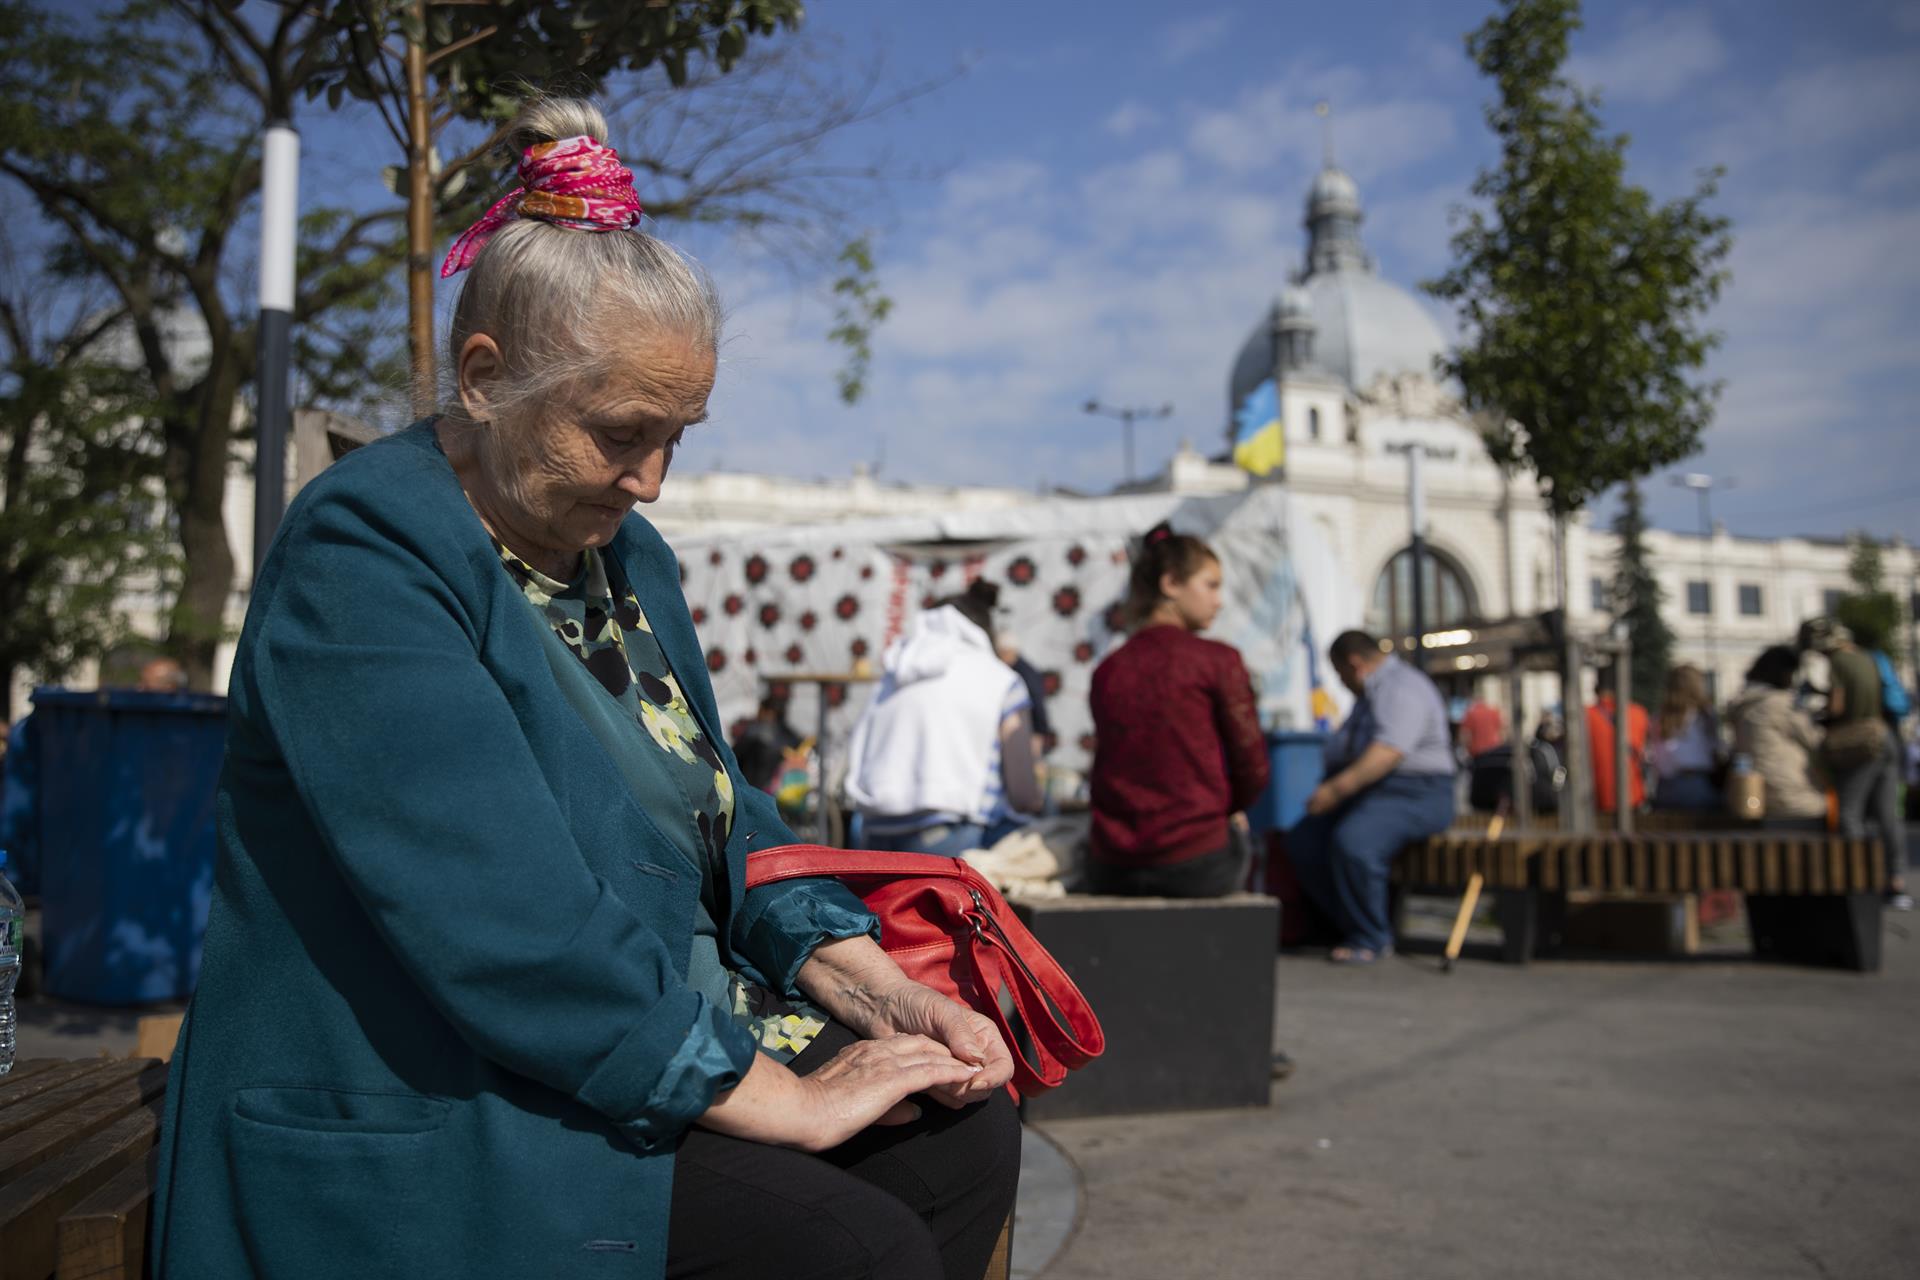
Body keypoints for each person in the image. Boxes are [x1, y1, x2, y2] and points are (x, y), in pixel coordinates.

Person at [149, 98, 1018, 1280]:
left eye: (681, 433)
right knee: (848, 1247)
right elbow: (494, 910)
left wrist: (873, 986)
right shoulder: (363, 554)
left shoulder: (624, 556)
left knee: (963, 1141)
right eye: (622, 431)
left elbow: (723, 812)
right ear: (486, 377)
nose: (653, 479)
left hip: (599, 1040)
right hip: (443, 1079)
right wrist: (772, 1093)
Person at [1085, 524, 1269, 898]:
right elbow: (1253, 766)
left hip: (1112, 862)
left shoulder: (1108, 668)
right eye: (1211, 585)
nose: (1220, 600)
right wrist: (1220, 810)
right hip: (1196, 860)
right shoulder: (1217, 660)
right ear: (1171, 584)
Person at [1286, 630, 1455, 963]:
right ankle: (1342, 924)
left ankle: (1371, 936)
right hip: (1376, 792)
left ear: (1355, 664)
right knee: (1304, 840)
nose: (1341, 681)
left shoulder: (1401, 687)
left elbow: (1389, 751)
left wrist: (1336, 789)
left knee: (1355, 843)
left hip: (1417, 791)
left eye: (1340, 673)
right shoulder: (1370, 694)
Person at [844, 583, 1043, 857]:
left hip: (871, 835)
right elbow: (1023, 794)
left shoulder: (893, 673)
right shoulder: (1001, 680)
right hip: (952, 839)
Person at [1800, 618, 1910, 910]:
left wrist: (1819, 712)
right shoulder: (1870, 658)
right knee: (1888, 816)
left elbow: (1838, 706)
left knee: (1850, 813)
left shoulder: (1838, 663)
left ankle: (1861, 878)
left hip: (1857, 743)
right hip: (1883, 736)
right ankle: (1896, 881)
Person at [1725, 646, 1827, 826]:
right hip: (1794, 798)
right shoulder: (1780, 704)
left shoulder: (1743, 707)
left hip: (1752, 799)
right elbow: (1817, 741)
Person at [1649, 664, 1721, 811]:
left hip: (1665, 783)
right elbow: (1715, 749)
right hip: (1696, 780)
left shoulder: (1661, 716)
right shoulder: (1704, 714)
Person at [1585, 668, 1650, 815]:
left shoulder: (1585, 714)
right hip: (1633, 796)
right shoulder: (1638, 713)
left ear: (1596, 688)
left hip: (1596, 798)